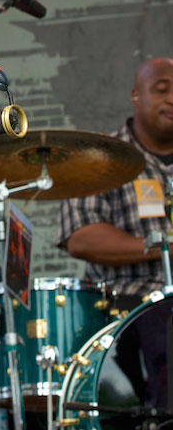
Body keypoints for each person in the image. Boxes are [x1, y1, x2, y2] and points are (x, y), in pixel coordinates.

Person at [58, 57, 173, 310]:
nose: (171, 99)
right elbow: (82, 239)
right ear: (136, 96)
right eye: (161, 90)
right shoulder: (99, 157)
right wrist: (165, 246)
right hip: (129, 308)